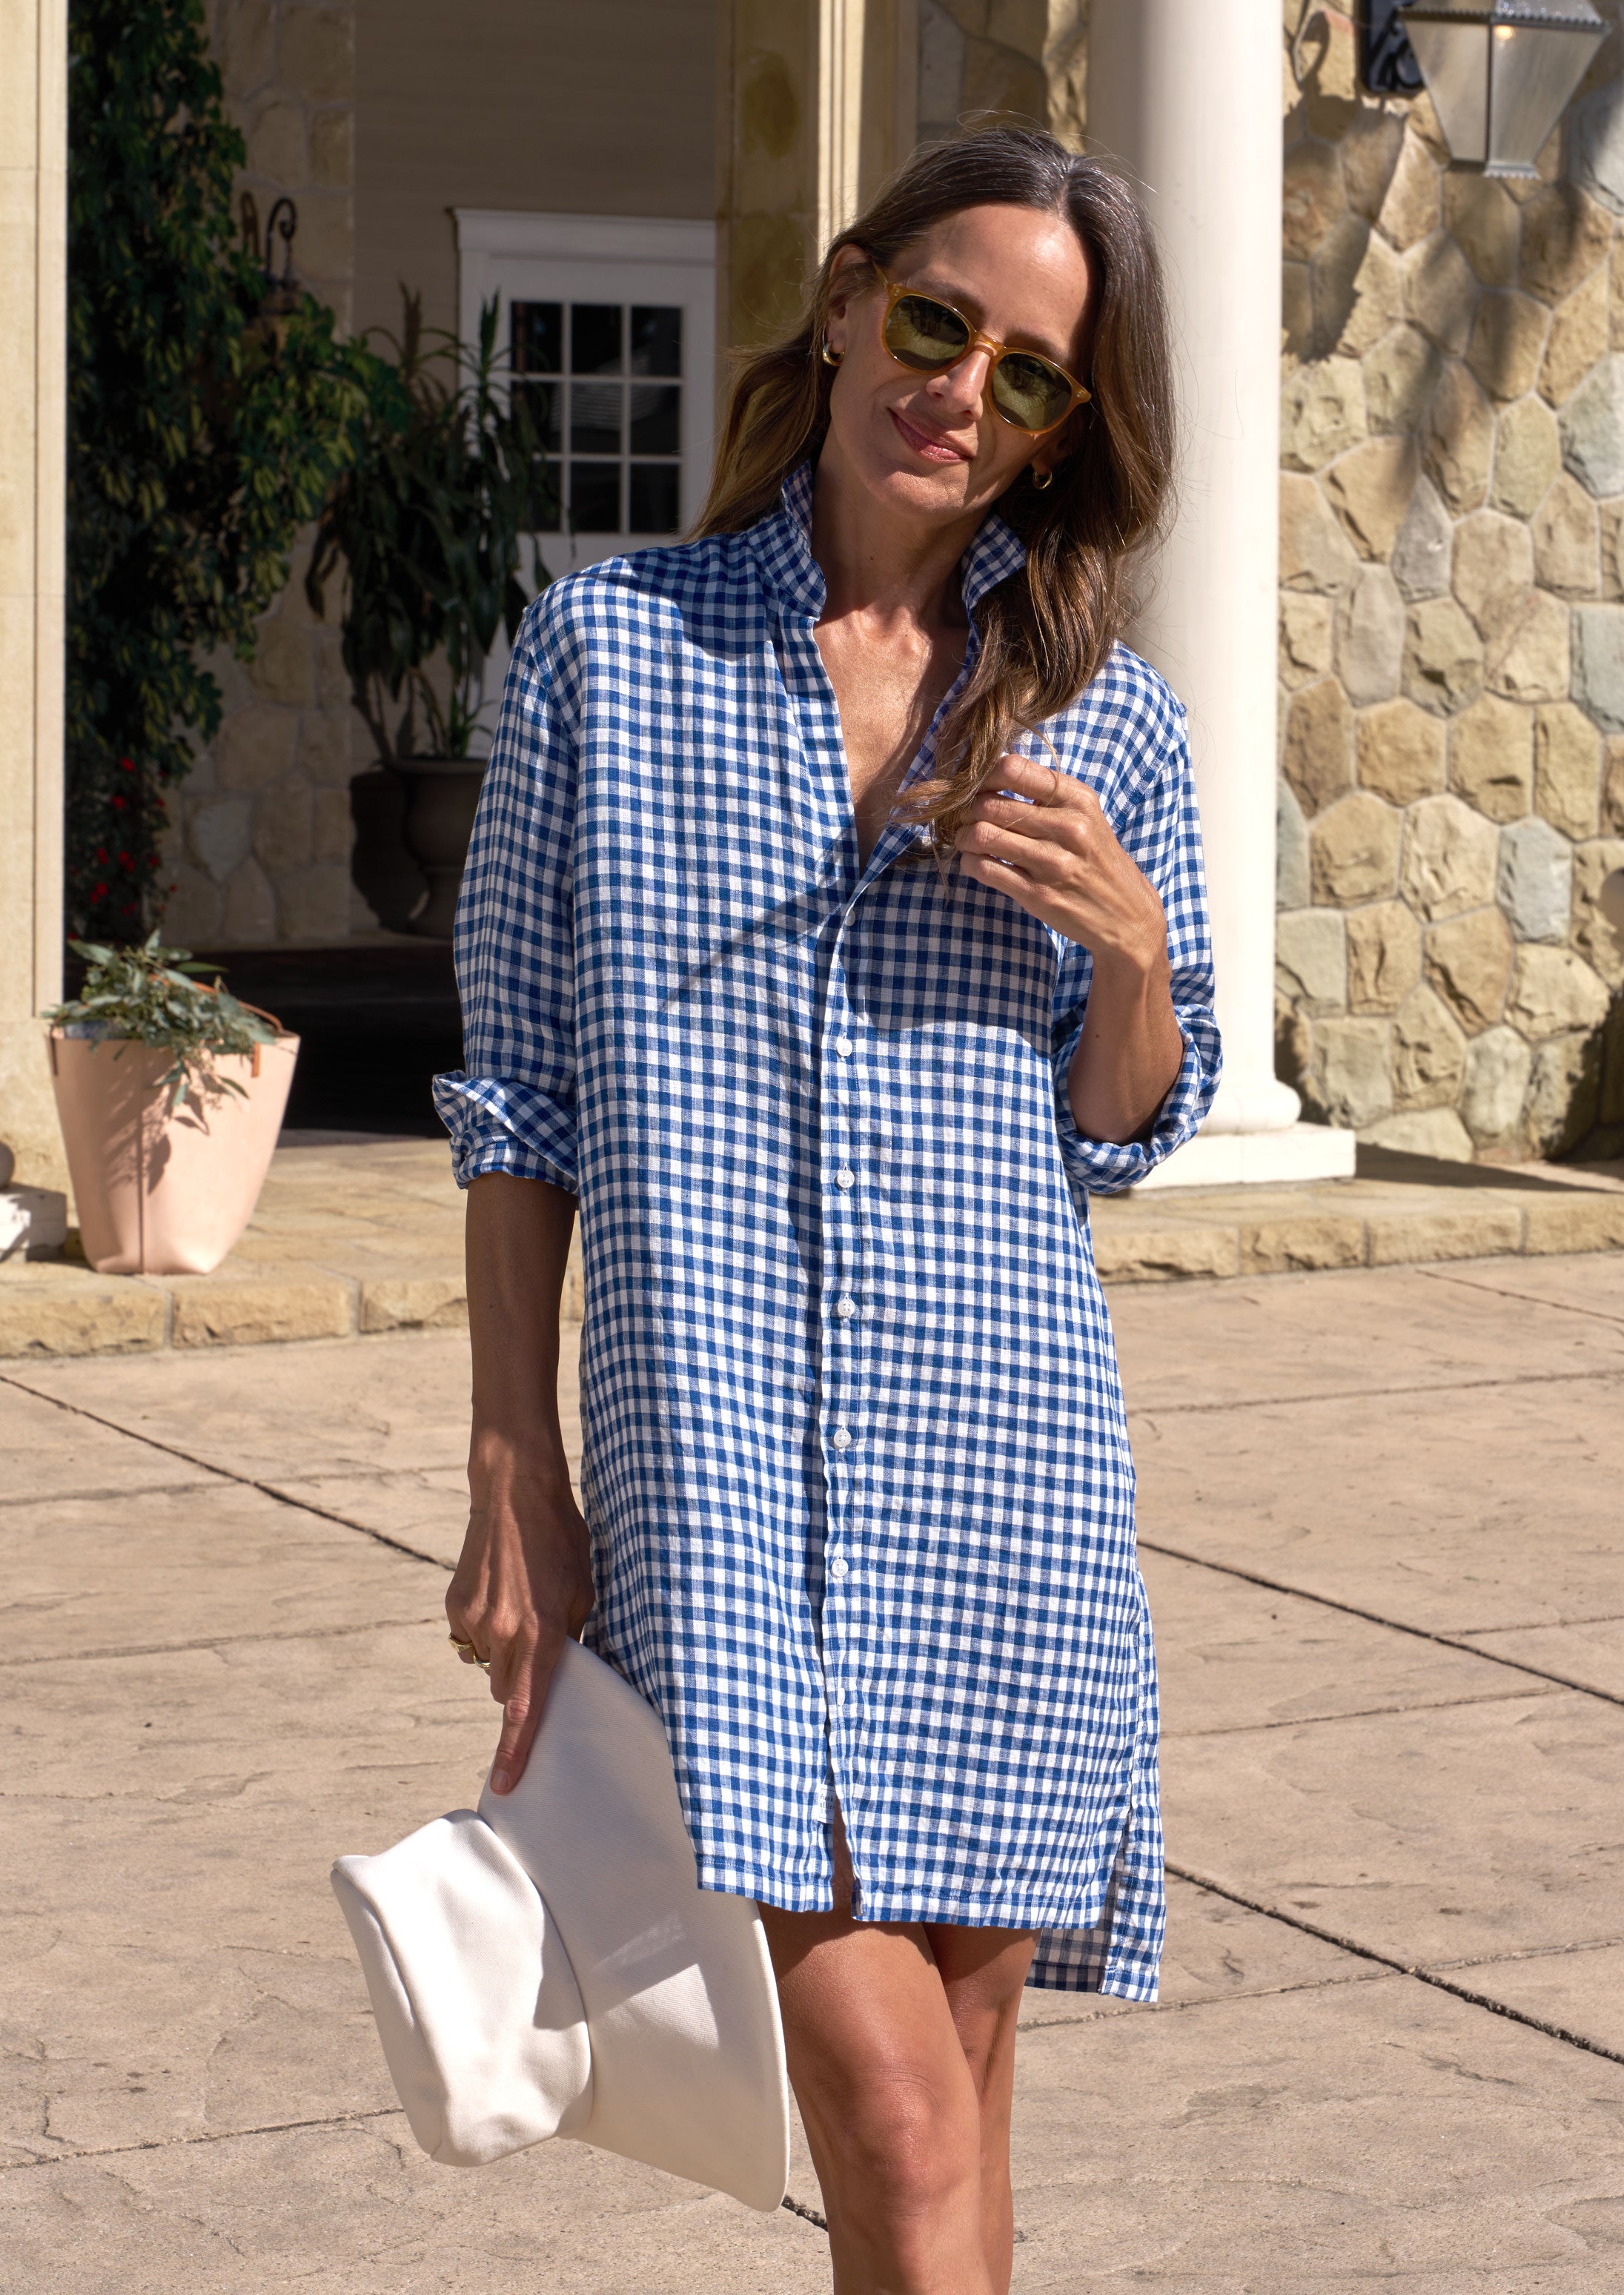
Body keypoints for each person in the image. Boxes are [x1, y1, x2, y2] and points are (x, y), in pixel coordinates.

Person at [436, 123, 1220, 2295]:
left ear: (1066, 431)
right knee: (883, 2107)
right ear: (852, 296)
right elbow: (518, 1098)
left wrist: (1133, 956)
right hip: (719, 1489)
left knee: (946, 2126)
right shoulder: (610, 657)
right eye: (937, 319)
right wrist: (519, 1464)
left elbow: (1125, 1126)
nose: (962, 386)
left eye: (1030, 373)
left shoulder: (1097, 721)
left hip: (1003, 1487)